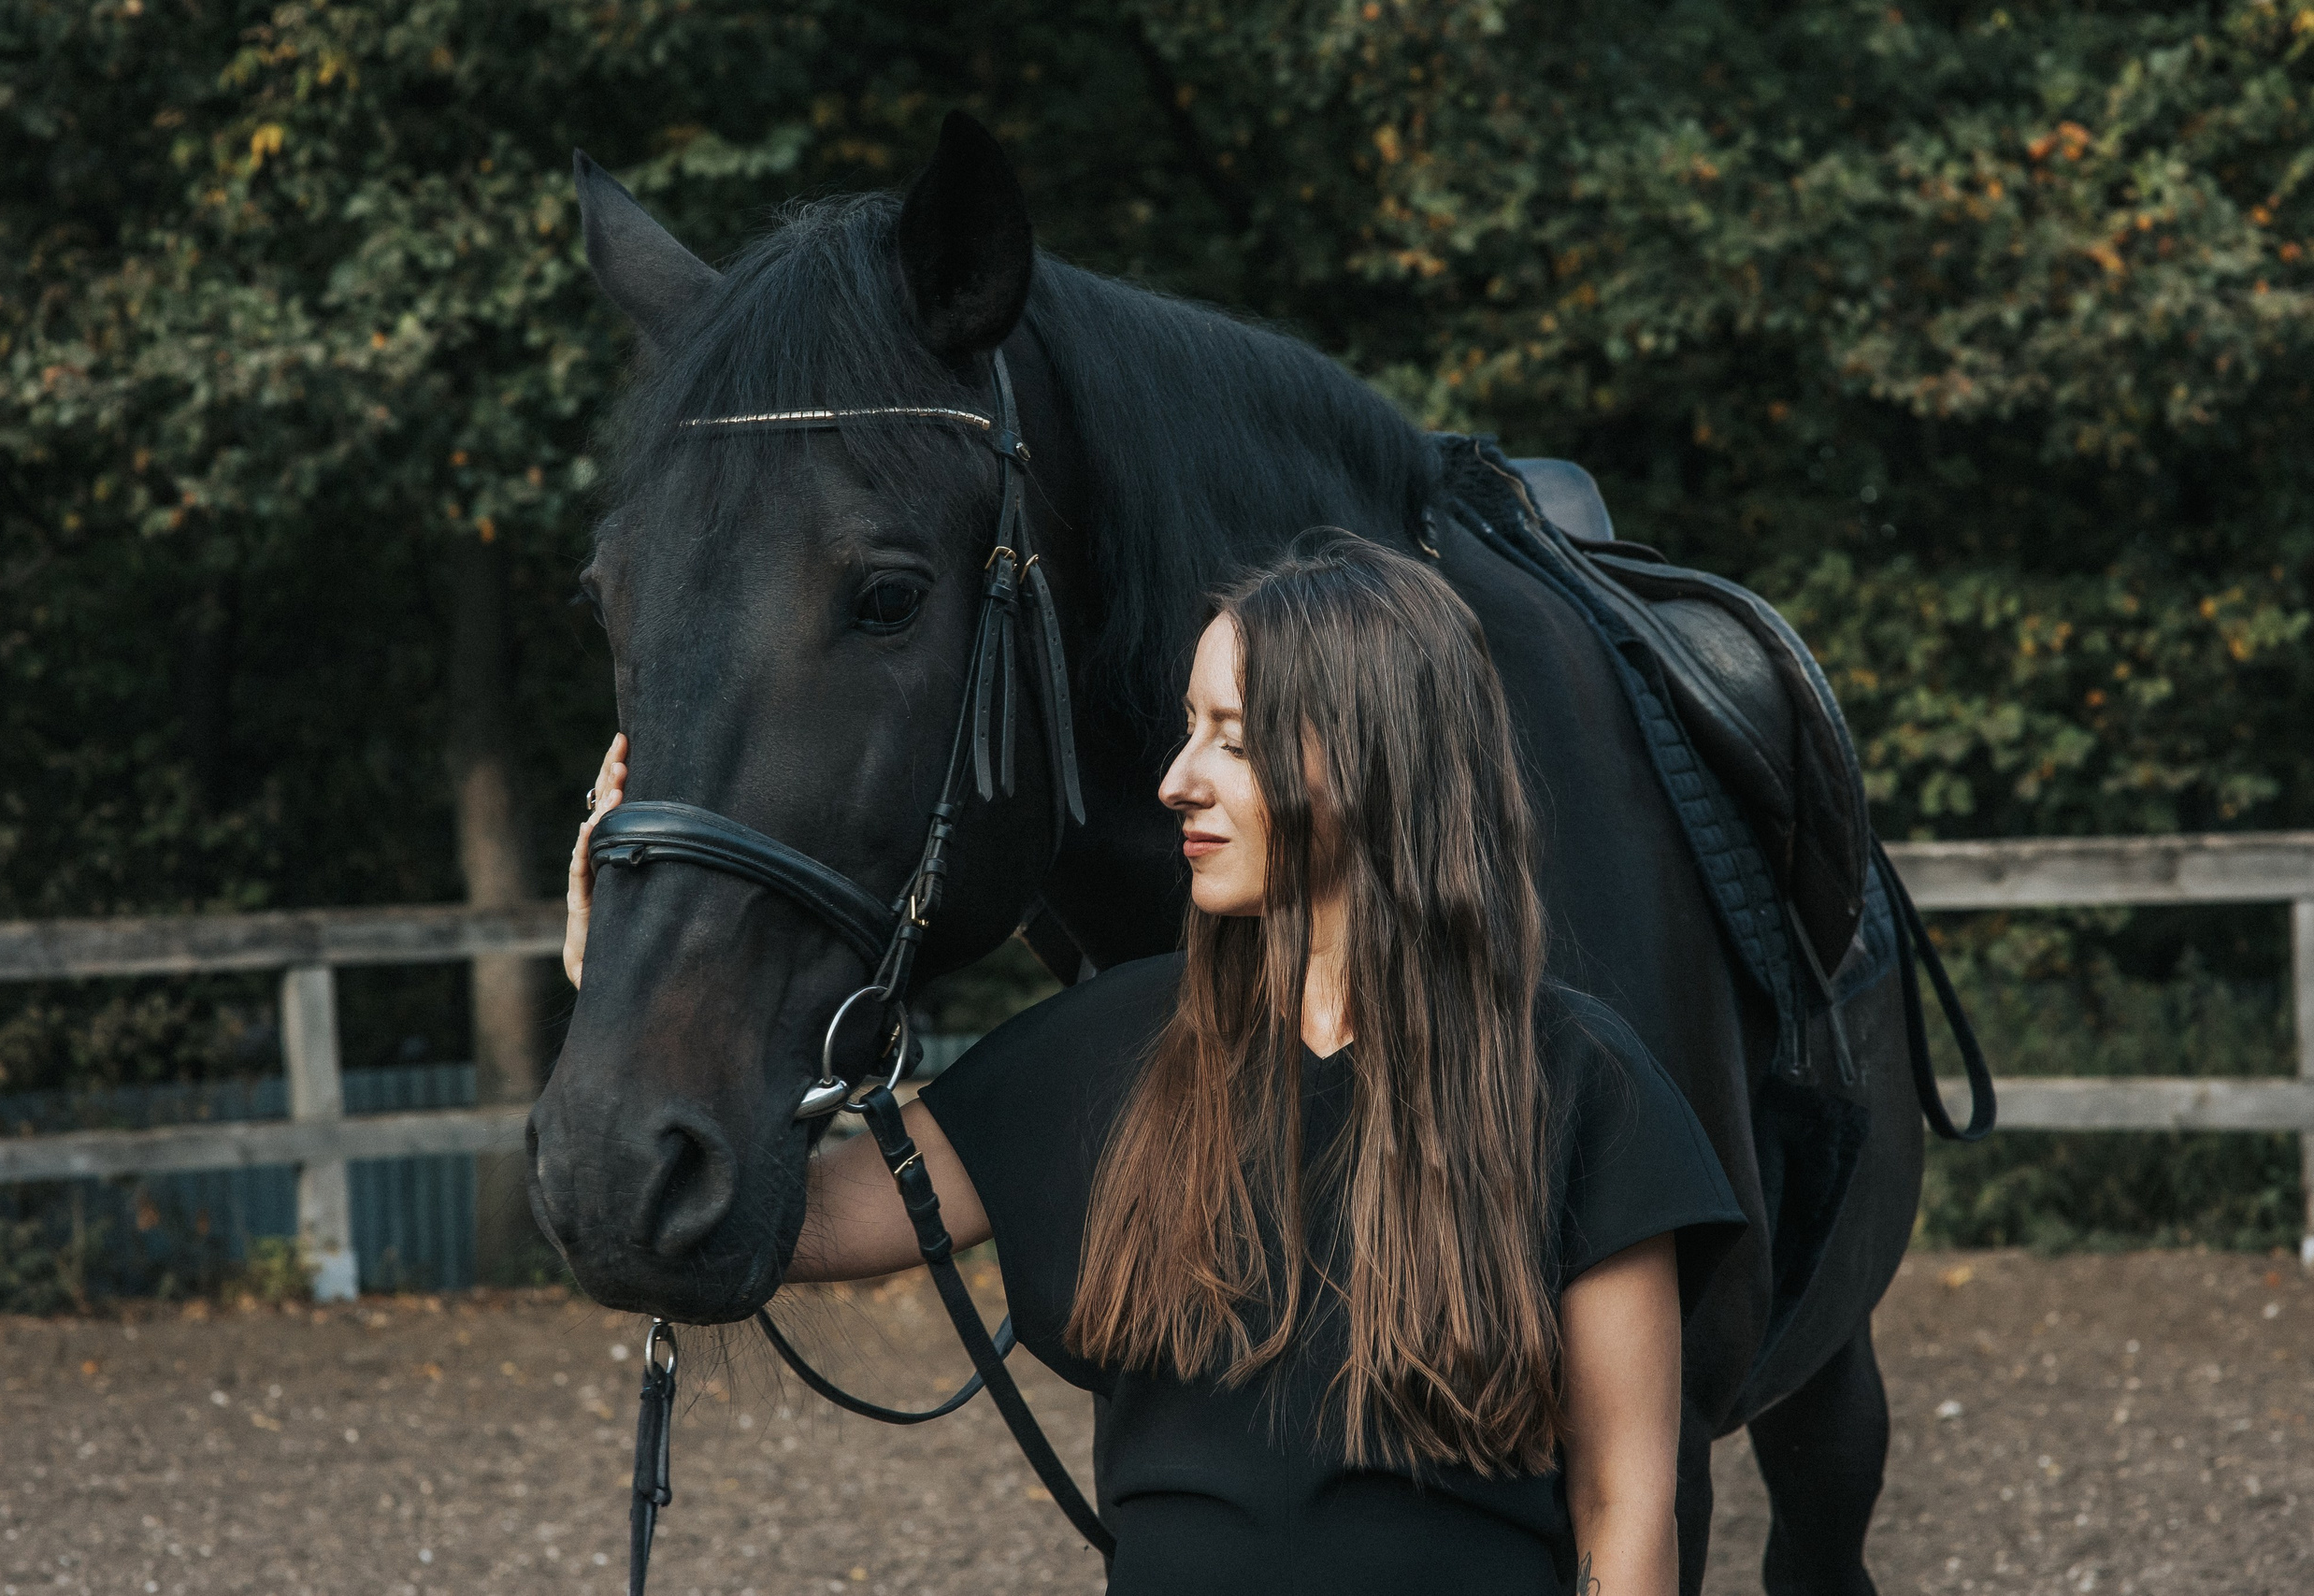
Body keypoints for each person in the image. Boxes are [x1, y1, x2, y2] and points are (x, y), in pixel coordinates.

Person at [567, 535, 1744, 1596]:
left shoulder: (1578, 1082)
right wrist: (622, 987)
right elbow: (776, 1225)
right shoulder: (1103, 1051)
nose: (1179, 777)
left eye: (1232, 739)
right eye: (1190, 728)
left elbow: (1624, 1505)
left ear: (1378, 762)